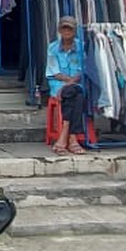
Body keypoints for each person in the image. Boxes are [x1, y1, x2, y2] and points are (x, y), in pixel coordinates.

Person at [45, 16, 90, 155]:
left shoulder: (82, 47)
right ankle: (72, 138)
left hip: (74, 85)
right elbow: (55, 72)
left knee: (75, 93)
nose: (66, 31)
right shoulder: (52, 48)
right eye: (64, 28)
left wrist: (68, 84)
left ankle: (65, 133)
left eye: (69, 28)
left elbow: (84, 70)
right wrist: (66, 85)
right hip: (59, 85)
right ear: (59, 30)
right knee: (78, 96)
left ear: (74, 31)